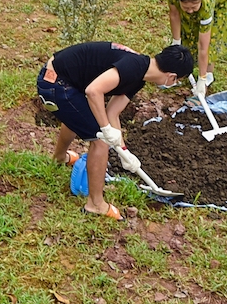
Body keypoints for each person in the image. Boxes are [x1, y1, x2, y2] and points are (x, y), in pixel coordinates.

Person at [37, 41, 194, 220]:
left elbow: (113, 112)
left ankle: (59, 158)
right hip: (54, 84)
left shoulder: (140, 74)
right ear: (171, 77)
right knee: (100, 140)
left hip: (65, 82)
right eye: (177, 81)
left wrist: (124, 152)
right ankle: (95, 204)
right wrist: (104, 129)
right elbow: (93, 91)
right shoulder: (133, 67)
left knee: (79, 115)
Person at [165, 0, 227, 85]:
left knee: (211, 37)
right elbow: (175, 14)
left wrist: (202, 79)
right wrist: (176, 42)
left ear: (201, 0)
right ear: (179, 0)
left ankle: (207, 76)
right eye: (186, 8)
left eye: (194, 7)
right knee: (187, 31)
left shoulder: (207, 3)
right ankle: (181, 72)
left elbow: (203, 47)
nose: (190, 11)